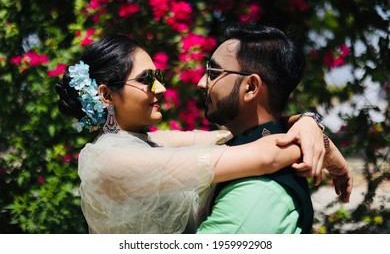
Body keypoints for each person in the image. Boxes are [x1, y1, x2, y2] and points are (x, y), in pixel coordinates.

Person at [55, 33, 350, 234]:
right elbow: (265, 153)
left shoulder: (154, 142)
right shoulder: (107, 162)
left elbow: (244, 135)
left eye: (158, 77)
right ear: (106, 95)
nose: (161, 89)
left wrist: (309, 122)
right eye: (147, 80)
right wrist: (323, 146)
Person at [196, 24, 352, 234]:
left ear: (250, 87)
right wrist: (309, 121)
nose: (201, 83)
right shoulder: (241, 147)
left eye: (213, 73)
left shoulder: (254, 194)